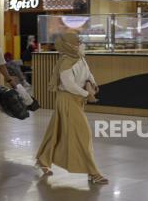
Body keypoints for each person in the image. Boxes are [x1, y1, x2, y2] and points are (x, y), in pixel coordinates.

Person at [35, 32, 109, 185]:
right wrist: (86, 94)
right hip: (67, 100)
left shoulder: (80, 58)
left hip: (76, 100)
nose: (81, 44)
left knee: (57, 131)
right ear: (68, 45)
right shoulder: (66, 63)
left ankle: (43, 160)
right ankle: (93, 172)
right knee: (84, 134)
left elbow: (88, 73)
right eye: (78, 42)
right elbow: (68, 84)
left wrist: (92, 83)